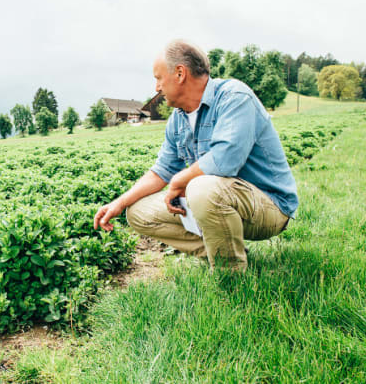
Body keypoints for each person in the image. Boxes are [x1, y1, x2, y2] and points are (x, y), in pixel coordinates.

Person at [93, 39, 298, 272]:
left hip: (269, 206)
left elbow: (224, 161)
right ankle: (223, 251)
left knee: (201, 187)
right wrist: (118, 203)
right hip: (224, 199)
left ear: (180, 73)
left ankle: (229, 275)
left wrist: (181, 181)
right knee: (138, 212)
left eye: (158, 78)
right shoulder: (178, 120)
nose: (157, 87)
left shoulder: (234, 97)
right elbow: (161, 171)